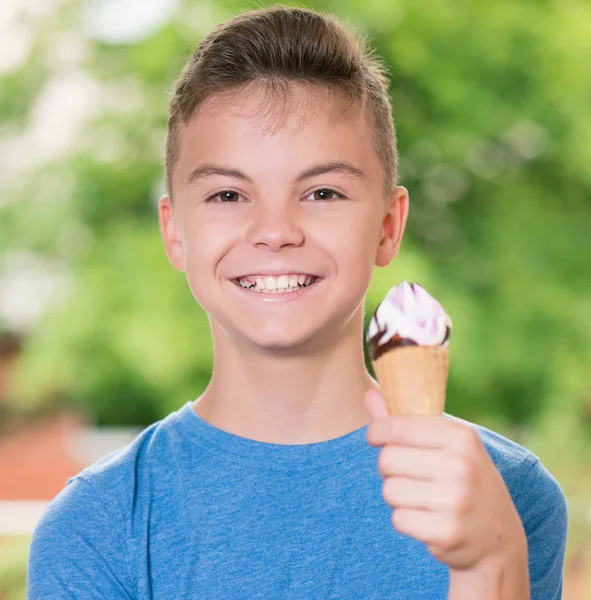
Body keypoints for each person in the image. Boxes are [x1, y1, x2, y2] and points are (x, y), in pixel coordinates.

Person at [27, 6, 567, 599]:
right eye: (229, 193)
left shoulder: (506, 493)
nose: (275, 230)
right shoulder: (96, 528)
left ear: (388, 226)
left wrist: (489, 567)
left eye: (322, 192)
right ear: (175, 231)